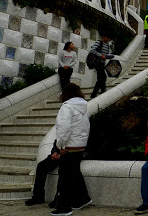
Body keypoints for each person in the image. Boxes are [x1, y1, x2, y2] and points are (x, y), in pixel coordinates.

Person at [51, 83, 92, 216]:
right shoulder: (83, 107)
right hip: (79, 145)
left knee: (65, 176)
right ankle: (83, 199)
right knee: (75, 173)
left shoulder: (67, 107)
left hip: (69, 146)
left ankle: (64, 207)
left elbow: (64, 128)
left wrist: (61, 146)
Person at [25, 140, 62, 207]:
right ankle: (38, 196)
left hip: (70, 154)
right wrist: (54, 152)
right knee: (41, 166)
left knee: (63, 170)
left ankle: (59, 199)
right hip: (59, 154)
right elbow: (57, 141)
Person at [89, 34, 113, 99]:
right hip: (97, 63)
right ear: (104, 37)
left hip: (102, 63)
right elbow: (92, 50)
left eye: (109, 38)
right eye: (107, 38)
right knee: (102, 77)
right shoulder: (99, 42)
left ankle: (99, 92)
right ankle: (98, 93)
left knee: (102, 78)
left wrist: (108, 56)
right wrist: (100, 55)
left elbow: (105, 54)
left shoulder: (107, 46)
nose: (108, 40)